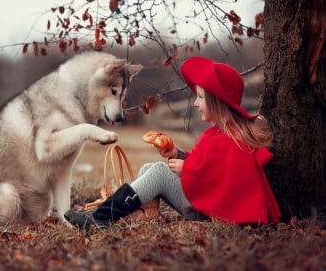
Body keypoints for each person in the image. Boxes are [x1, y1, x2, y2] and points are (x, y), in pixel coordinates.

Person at [64, 56, 281, 229]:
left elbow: (224, 180)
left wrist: (187, 169)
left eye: (201, 97)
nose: (196, 104)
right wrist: (177, 154)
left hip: (215, 213)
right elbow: (207, 163)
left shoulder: (233, 138)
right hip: (206, 204)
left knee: (158, 172)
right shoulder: (216, 134)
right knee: (150, 167)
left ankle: (102, 217)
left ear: (218, 102)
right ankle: (132, 214)